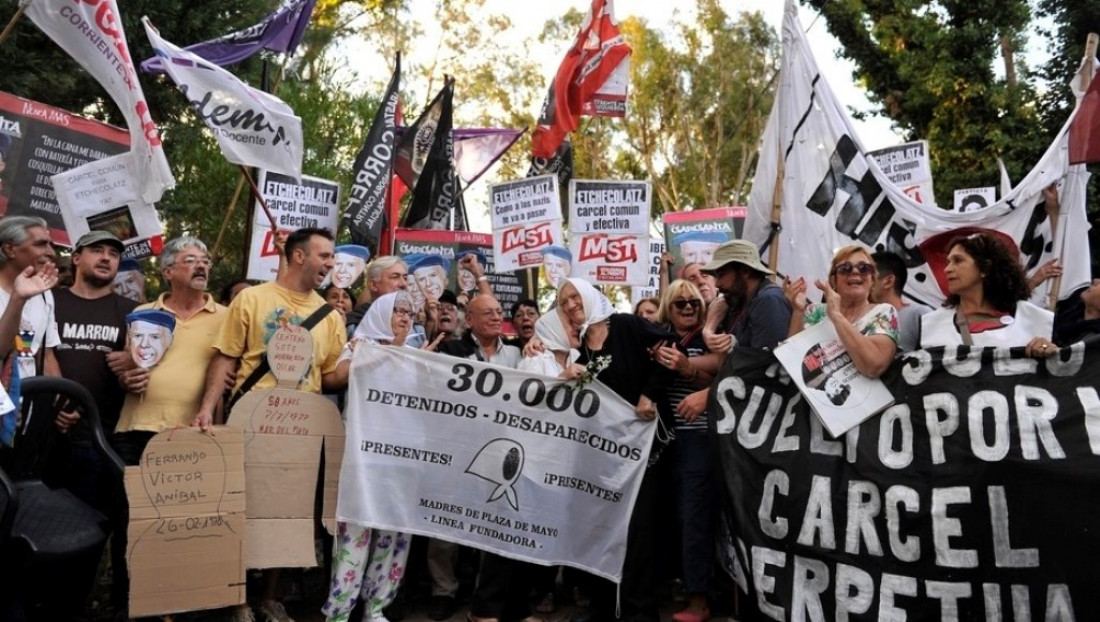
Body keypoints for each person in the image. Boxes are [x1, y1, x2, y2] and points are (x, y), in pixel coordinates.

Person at [193, 227, 348, 622]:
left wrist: (365, 364)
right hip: (252, 423)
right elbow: (226, 357)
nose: (331, 264)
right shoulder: (252, 298)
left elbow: (328, 377)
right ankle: (238, 599)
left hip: (300, 433)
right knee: (243, 510)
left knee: (289, 515)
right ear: (298, 256)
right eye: (325, 255)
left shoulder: (331, 317)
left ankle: (271, 597)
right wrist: (209, 407)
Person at [556, 277, 677, 622]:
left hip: (640, 455)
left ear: (592, 295)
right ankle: (603, 605)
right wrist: (566, 376)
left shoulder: (624, 326)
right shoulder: (578, 348)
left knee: (639, 531)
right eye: (563, 301)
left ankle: (639, 609)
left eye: (574, 297)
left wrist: (650, 393)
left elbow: (668, 343)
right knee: (601, 528)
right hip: (600, 459)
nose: (569, 305)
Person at [323, 291, 415, 622]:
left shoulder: (417, 357)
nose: (405, 317)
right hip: (361, 459)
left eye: (409, 312)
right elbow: (331, 378)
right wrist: (374, 355)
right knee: (354, 534)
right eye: (397, 310)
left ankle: (376, 608)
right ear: (379, 313)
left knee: (394, 536)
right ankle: (339, 611)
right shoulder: (357, 347)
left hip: (401, 462)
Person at [652, 280, 721, 622]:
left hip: (698, 439)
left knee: (695, 517)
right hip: (663, 441)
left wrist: (688, 370)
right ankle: (671, 585)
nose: (688, 307)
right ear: (668, 307)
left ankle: (699, 598)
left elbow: (727, 382)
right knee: (669, 516)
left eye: (693, 301)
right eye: (679, 303)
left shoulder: (711, 340)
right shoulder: (656, 339)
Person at [919, 231, 1056, 355]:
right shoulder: (930, 325)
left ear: (985, 268)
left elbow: (1059, 358)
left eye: (958, 260)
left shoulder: (1034, 319)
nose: (947, 269)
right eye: (948, 262)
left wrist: (1044, 347)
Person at [785, 244, 898, 379]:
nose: (855, 271)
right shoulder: (814, 311)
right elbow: (791, 361)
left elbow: (873, 367)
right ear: (834, 281)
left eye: (864, 268)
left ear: (872, 280)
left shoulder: (884, 312)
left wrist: (837, 316)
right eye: (845, 268)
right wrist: (798, 311)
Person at [870, 251, 932, 352]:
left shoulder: (919, 314)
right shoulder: (860, 322)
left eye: (869, 277)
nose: (861, 282)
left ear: (888, 281)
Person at [1055, 278, 1100, 346]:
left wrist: (1044, 346)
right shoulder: (1069, 316)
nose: (1095, 281)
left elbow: (1053, 351)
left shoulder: (1092, 344)